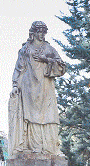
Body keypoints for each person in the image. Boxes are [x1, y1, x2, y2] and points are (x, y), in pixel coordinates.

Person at [9, 21, 66, 156]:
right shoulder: (25, 49)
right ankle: (32, 147)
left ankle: (50, 148)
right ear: (33, 33)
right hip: (28, 87)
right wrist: (15, 85)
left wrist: (46, 59)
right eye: (39, 31)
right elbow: (19, 68)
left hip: (46, 87)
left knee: (48, 116)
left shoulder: (49, 49)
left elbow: (62, 67)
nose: (41, 34)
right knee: (30, 117)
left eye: (43, 32)